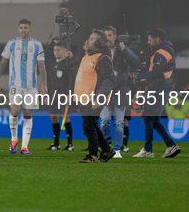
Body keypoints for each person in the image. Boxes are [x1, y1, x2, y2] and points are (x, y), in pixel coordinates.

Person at [0, 19, 47, 155]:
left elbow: (41, 66)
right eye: (21, 27)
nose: (23, 30)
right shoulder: (12, 43)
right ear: (18, 29)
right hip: (15, 85)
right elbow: (2, 63)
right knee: (15, 112)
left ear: (30, 29)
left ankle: (24, 147)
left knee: (28, 115)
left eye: (26, 28)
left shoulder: (37, 45)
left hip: (31, 87)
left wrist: (44, 84)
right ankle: (13, 139)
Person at [129, 28, 181, 158]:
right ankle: (171, 146)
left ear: (158, 39)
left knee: (147, 117)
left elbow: (157, 71)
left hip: (159, 89)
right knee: (154, 120)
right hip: (162, 88)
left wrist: (139, 76)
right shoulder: (164, 51)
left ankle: (148, 150)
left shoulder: (161, 52)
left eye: (150, 39)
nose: (148, 42)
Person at [74, 30, 115, 163]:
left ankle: (93, 155)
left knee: (88, 127)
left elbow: (109, 80)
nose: (88, 40)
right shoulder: (88, 56)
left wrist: (99, 98)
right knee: (92, 126)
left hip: (93, 97)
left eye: (92, 39)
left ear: (98, 42)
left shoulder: (102, 58)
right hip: (85, 97)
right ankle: (107, 150)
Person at [100, 26, 141, 158]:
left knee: (118, 122)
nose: (108, 38)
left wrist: (125, 51)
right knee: (104, 120)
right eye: (106, 35)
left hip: (120, 90)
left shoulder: (122, 50)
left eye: (110, 35)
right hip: (105, 90)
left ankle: (117, 149)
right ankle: (107, 146)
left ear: (115, 37)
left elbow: (136, 63)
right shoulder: (101, 51)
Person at [45, 41, 78, 151]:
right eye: (55, 50)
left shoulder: (68, 65)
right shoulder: (52, 65)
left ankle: (70, 144)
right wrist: (47, 95)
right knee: (54, 118)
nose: (56, 52)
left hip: (64, 95)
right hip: (53, 94)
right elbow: (49, 81)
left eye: (58, 50)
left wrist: (69, 94)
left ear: (64, 51)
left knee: (65, 118)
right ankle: (56, 143)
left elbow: (70, 81)